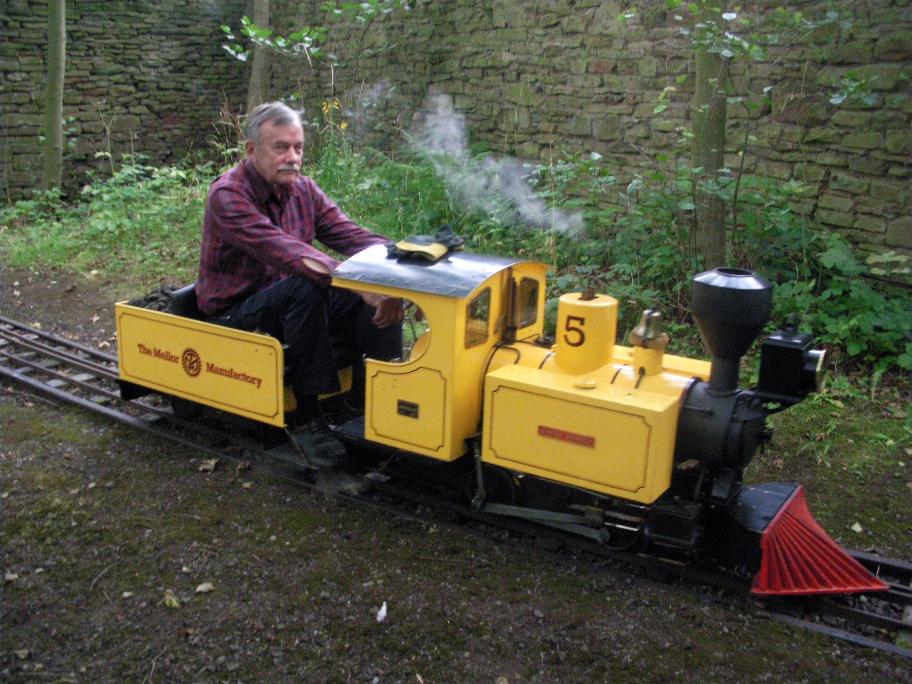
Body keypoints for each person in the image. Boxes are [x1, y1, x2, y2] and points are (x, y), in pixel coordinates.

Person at [196, 101, 402, 430]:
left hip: (287, 303)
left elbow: (350, 235)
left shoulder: (303, 189)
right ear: (252, 150)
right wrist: (357, 284)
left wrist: (404, 265)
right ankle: (310, 418)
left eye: (298, 147)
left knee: (374, 281)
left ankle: (373, 396)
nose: (292, 157)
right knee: (305, 285)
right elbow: (285, 251)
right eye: (280, 148)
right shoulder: (228, 195)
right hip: (236, 312)